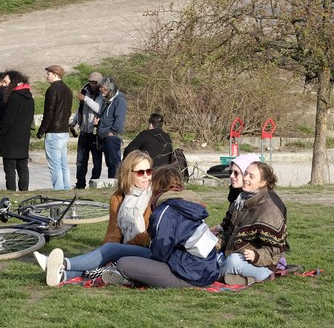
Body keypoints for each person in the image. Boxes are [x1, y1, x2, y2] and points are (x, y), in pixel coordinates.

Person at [39, 150, 154, 286]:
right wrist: (110, 255)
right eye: (141, 172)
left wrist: (124, 248)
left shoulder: (155, 196)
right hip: (126, 249)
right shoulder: (119, 197)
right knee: (106, 261)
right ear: (129, 174)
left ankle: (62, 263)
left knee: (111, 250)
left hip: (150, 250)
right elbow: (113, 231)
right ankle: (62, 275)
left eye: (149, 171)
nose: (147, 176)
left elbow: (153, 235)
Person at [110, 165, 221, 288]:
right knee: (127, 255)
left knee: (124, 263)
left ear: (156, 186)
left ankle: (126, 276)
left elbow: (160, 253)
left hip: (188, 277)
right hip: (206, 271)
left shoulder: (165, 211)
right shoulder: (189, 205)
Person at [218, 161, 289, 285]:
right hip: (233, 253)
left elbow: (276, 250)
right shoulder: (240, 201)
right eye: (245, 174)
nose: (245, 178)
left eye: (251, 176)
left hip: (261, 264)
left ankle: (264, 276)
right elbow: (229, 232)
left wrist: (256, 255)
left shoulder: (269, 210)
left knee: (233, 261)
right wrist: (215, 244)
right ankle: (235, 277)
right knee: (211, 256)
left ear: (263, 183)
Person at [0, 69, 34, 191]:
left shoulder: (14, 97)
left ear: (13, 82)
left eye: (6, 82)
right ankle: (24, 191)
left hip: (11, 139)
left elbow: (8, 119)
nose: (4, 85)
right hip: (23, 137)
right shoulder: (29, 97)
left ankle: (11, 191)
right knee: (23, 167)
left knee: (10, 168)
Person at [36, 65, 74, 190]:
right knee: (63, 163)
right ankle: (66, 188)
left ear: (55, 74)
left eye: (48, 74)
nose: (47, 76)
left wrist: (41, 131)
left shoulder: (52, 90)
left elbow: (49, 113)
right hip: (64, 130)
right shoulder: (68, 90)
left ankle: (58, 188)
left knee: (55, 164)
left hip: (54, 131)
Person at [72, 71, 104, 189]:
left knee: (97, 161)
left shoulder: (102, 94)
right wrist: (74, 122)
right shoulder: (85, 90)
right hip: (84, 131)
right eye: (91, 82)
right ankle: (80, 183)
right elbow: (80, 109)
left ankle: (94, 182)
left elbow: (98, 108)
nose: (92, 85)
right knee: (80, 160)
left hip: (95, 133)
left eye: (95, 83)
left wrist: (86, 99)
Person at [96, 75, 126, 179]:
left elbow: (119, 118)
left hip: (111, 136)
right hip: (104, 135)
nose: (100, 90)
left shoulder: (119, 100)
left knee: (115, 163)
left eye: (102, 87)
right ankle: (111, 182)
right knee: (109, 163)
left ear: (109, 88)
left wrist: (113, 131)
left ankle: (116, 183)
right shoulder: (107, 99)